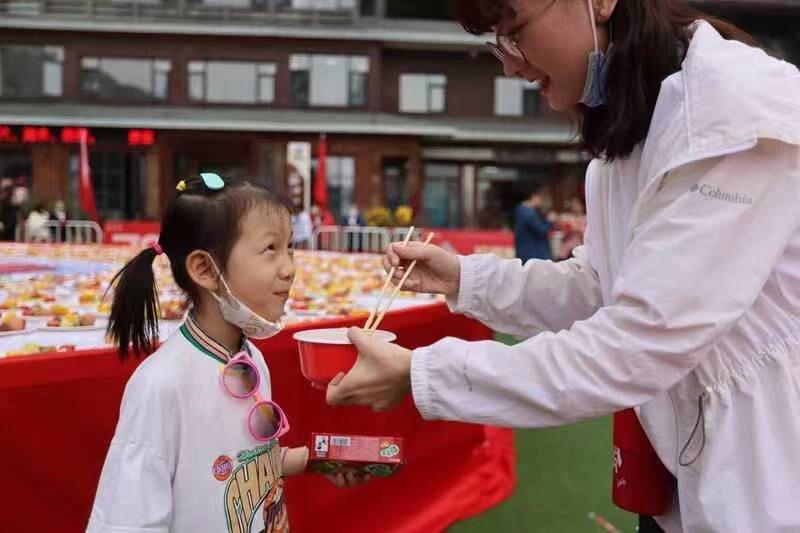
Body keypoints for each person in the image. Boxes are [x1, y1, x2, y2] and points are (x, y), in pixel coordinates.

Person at [323, 0, 800, 531]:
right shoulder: (631, 135)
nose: (510, 63)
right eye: (496, 41)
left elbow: (639, 342)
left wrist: (422, 375)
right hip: (690, 478)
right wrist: (465, 277)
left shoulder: (731, 112)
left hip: (771, 484)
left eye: (516, 30)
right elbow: (603, 284)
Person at [87, 174, 365, 533]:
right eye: (270, 250)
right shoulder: (161, 386)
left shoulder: (252, 358)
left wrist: (318, 460)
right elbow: (125, 522)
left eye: (290, 247)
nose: (290, 269)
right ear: (205, 269)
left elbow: (244, 462)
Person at [513, 180, 554, 262]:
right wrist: (550, 221)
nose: (542, 202)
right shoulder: (529, 213)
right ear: (535, 196)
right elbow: (542, 230)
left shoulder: (520, 209)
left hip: (523, 252)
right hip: (533, 254)